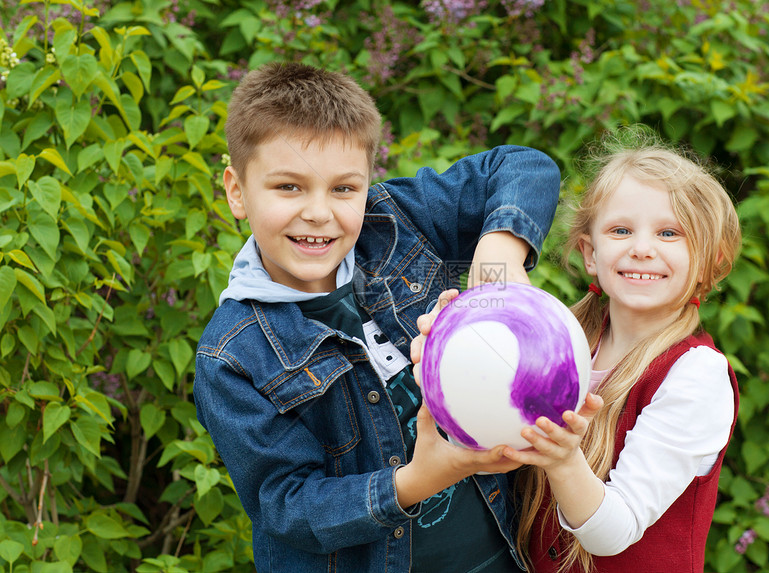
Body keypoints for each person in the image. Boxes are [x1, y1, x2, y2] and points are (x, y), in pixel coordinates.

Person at [192, 61, 561, 573]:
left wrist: (497, 256)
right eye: (288, 187)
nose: (319, 212)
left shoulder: (397, 222)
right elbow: (289, 506)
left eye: (344, 189)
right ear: (236, 191)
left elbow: (523, 166)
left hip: (503, 552)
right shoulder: (232, 355)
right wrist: (419, 479)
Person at [410, 136, 741, 573]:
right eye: (621, 230)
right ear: (590, 253)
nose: (642, 248)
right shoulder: (558, 339)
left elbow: (614, 534)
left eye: (669, 233)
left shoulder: (697, 374)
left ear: (711, 261)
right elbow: (492, 454)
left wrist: (564, 458)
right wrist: (452, 363)